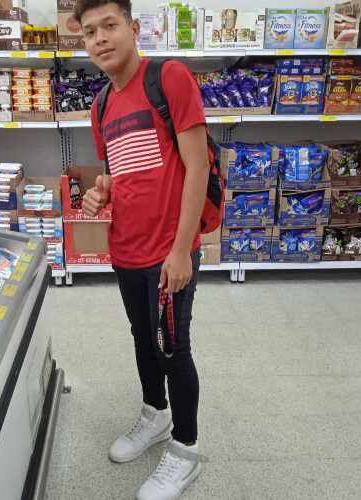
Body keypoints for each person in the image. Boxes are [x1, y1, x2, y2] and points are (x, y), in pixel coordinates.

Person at [74, 1, 210, 499]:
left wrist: (181, 250)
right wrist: (99, 195)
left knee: (173, 347)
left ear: (132, 28)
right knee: (141, 337)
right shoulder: (101, 105)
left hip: (168, 250)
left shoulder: (168, 78)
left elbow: (197, 166)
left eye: (110, 25)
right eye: (90, 31)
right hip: (126, 248)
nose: (100, 38)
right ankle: (155, 414)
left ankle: (186, 449)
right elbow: (117, 173)